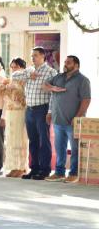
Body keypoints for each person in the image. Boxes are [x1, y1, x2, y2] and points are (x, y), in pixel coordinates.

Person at [12, 47, 58, 180]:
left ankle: (44, 170)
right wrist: (28, 75)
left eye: (36, 56)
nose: (33, 58)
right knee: (33, 141)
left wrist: (49, 111)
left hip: (42, 110)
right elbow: (14, 76)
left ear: (43, 56)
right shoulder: (29, 70)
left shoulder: (51, 72)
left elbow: (53, 95)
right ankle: (34, 168)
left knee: (44, 140)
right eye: (32, 56)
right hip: (30, 110)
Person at [44, 55, 91, 183]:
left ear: (76, 65)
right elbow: (45, 85)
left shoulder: (83, 80)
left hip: (73, 121)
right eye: (65, 62)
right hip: (58, 119)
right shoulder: (59, 77)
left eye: (68, 62)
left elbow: (86, 100)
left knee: (75, 149)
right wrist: (53, 88)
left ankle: (74, 173)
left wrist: (78, 117)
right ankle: (59, 172)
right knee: (60, 148)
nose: (65, 64)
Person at [0, 58, 29, 177]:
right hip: (10, 113)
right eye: (11, 67)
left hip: (21, 112)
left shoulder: (25, 82)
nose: (13, 70)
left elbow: (27, 99)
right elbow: (6, 101)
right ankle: (13, 166)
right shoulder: (10, 81)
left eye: (15, 67)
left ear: (22, 68)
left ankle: (21, 167)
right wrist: (3, 116)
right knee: (11, 139)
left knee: (20, 140)